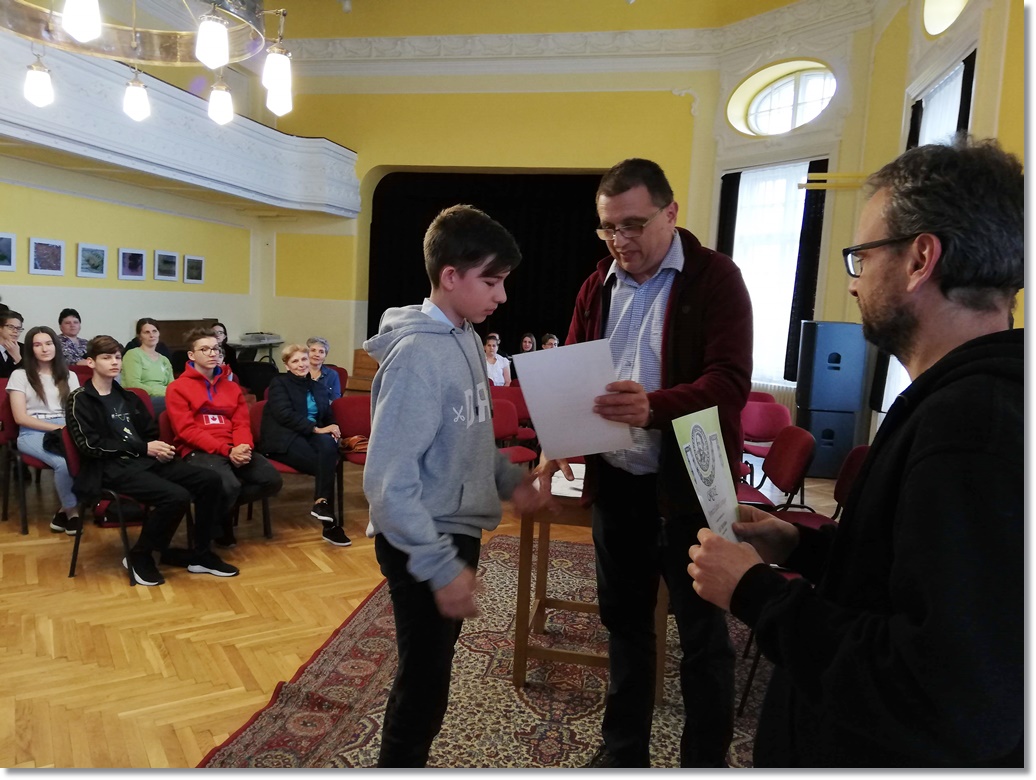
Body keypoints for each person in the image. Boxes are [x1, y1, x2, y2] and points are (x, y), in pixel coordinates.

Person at [687, 137, 1023, 768]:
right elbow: (905, 579)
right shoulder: (960, 403)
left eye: (861, 257)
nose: (852, 283)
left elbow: (944, 695)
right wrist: (803, 547)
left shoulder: (973, 428)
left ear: (920, 258)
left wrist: (755, 593)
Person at [543, 158, 753, 768]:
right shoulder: (597, 285)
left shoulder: (716, 278)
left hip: (692, 486)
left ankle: (703, 763)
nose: (620, 240)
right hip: (619, 484)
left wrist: (653, 407)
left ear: (670, 213)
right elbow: (573, 371)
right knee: (626, 626)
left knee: (703, 637)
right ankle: (623, 755)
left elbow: (730, 381)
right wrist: (556, 438)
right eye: (608, 228)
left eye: (633, 224)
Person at [362, 204, 554, 768]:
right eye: (491, 282)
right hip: (421, 537)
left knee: (431, 680)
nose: (502, 296)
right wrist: (440, 567)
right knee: (421, 688)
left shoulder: (465, 337)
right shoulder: (417, 357)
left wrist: (511, 482)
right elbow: (387, 485)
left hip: (452, 528)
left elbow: (466, 438)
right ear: (450, 276)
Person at [65, 335, 233, 585]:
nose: (115, 362)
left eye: (118, 357)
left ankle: (201, 554)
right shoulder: (80, 399)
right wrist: (143, 447)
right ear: (91, 362)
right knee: (175, 496)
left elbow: (150, 432)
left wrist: (159, 448)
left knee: (209, 479)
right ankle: (140, 555)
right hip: (109, 468)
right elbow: (90, 445)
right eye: (107, 357)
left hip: (143, 461)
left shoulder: (129, 397)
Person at [165, 328, 283, 551]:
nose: (212, 353)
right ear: (191, 355)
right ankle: (212, 530)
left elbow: (241, 423)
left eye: (215, 349)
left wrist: (242, 447)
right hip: (199, 450)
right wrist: (226, 451)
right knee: (229, 486)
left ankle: (215, 515)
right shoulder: (177, 387)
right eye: (204, 349)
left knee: (271, 480)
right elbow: (186, 431)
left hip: (233, 447)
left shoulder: (231, 387)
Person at [260, 344, 350, 547]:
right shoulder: (279, 383)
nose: (301, 364)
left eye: (304, 359)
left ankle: (322, 504)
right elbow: (284, 414)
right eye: (295, 361)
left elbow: (326, 415)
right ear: (287, 365)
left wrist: (333, 426)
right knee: (326, 464)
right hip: (284, 438)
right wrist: (317, 429)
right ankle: (330, 526)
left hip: (309, 436)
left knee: (328, 445)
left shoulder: (318, 387)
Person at [6, 325, 81, 534]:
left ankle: (62, 511)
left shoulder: (69, 375)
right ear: (30, 350)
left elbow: (77, 410)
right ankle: (73, 512)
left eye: (48, 343)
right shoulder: (20, 375)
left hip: (65, 427)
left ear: (56, 346)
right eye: (37, 345)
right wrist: (59, 427)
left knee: (93, 455)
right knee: (64, 463)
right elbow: (20, 417)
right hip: (32, 431)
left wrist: (69, 428)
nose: (44, 348)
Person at [122, 318, 174, 416]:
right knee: (178, 404)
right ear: (139, 336)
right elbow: (133, 384)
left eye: (154, 331)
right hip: (142, 399)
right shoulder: (133, 354)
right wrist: (163, 392)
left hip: (165, 396)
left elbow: (172, 384)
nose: (151, 335)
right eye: (146, 332)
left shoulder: (164, 360)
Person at [0, 310, 24, 379]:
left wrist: (17, 357)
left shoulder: (25, 349)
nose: (15, 331)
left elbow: (30, 376)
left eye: (18, 328)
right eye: (11, 327)